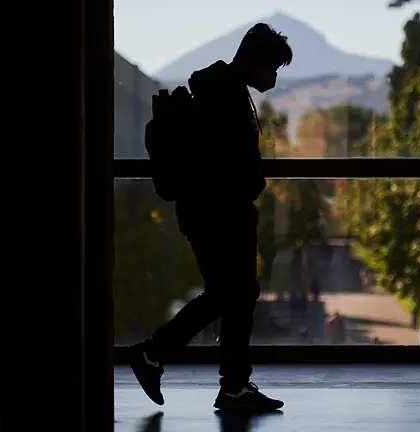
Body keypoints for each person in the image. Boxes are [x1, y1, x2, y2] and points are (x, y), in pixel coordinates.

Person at [129, 23, 293, 412]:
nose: (273, 77)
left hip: (212, 215)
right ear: (255, 63)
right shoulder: (225, 98)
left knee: (236, 295)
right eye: (272, 68)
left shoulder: (219, 90)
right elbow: (227, 168)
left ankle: (233, 385)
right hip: (218, 217)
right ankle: (156, 354)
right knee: (230, 294)